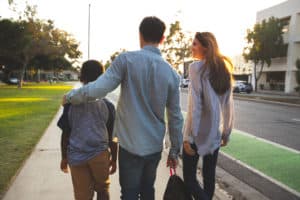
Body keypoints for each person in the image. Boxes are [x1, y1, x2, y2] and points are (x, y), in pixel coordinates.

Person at [62, 16, 183, 200]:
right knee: (148, 189)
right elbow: (175, 117)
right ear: (162, 39)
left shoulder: (126, 60)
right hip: (154, 145)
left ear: (140, 35)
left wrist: (71, 97)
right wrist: (175, 149)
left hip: (130, 144)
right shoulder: (172, 74)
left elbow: (98, 89)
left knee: (129, 193)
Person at [182, 32, 234, 200]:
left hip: (197, 133)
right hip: (214, 133)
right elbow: (228, 105)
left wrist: (188, 136)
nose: (192, 47)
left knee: (189, 179)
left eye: (195, 44)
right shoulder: (223, 70)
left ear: (205, 47)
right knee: (209, 176)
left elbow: (195, 107)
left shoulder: (195, 68)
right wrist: (226, 132)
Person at [57, 60, 118, 200]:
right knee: (103, 190)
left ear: (82, 77)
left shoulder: (70, 103)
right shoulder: (107, 105)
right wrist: (114, 159)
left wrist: (64, 157)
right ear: (102, 79)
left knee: (82, 196)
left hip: (76, 157)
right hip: (100, 155)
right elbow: (112, 137)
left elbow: (65, 132)